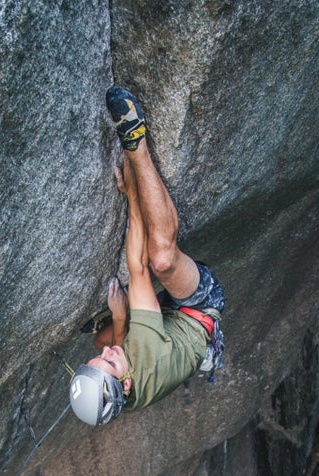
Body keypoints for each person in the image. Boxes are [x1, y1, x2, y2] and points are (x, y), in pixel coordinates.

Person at [68, 86, 226, 426]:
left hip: (166, 334)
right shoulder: (143, 357)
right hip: (198, 311)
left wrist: (120, 322)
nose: (106, 353)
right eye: (110, 363)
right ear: (125, 383)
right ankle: (137, 140)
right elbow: (138, 266)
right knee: (162, 260)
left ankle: (131, 316)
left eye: (98, 359)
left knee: (101, 333)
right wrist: (132, 193)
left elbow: (106, 347)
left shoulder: (119, 398)